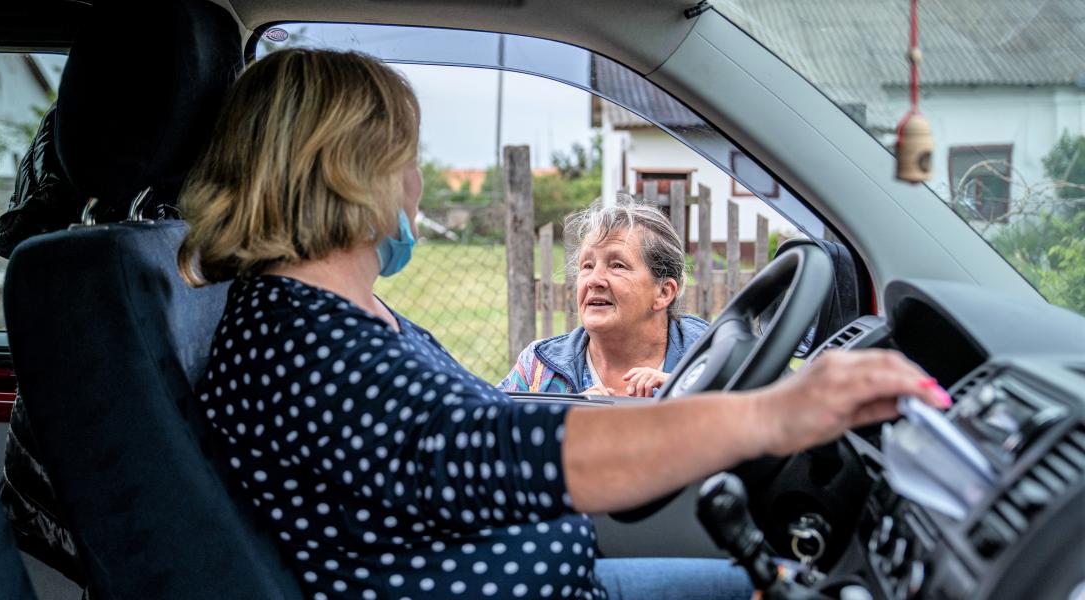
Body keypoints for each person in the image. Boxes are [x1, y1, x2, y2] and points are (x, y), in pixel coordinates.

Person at [178, 48, 950, 600]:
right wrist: (775, 414)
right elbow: (497, 448)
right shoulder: (307, 346)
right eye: (406, 157)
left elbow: (477, 425)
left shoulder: (328, 317)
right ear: (351, 171)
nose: (416, 182)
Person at [500, 197, 705, 397]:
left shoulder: (713, 356)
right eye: (587, 266)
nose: (594, 280)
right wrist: (565, 415)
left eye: (617, 265)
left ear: (664, 292)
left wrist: (690, 394)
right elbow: (488, 424)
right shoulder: (538, 368)